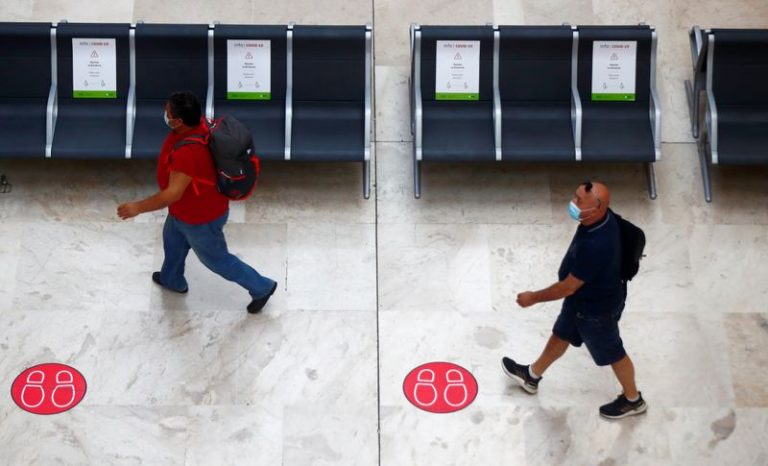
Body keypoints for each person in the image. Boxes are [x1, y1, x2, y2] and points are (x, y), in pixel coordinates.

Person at [117, 91, 277, 314]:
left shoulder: (189, 153)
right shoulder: (199, 125)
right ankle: (171, 279)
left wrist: (137, 208)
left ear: (178, 121)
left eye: (168, 113)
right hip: (183, 212)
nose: (165, 114)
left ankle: (262, 287)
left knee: (217, 260)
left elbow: (172, 193)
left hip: (200, 218)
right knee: (172, 242)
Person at [501, 181, 646, 419]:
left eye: (579, 201)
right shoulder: (601, 219)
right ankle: (532, 376)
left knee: (614, 353)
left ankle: (633, 400)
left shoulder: (598, 245)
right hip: (580, 303)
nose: (573, 203)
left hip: (596, 311)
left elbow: (568, 286)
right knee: (561, 334)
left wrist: (533, 298)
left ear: (598, 208)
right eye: (576, 196)